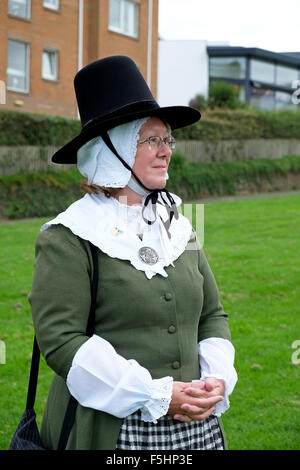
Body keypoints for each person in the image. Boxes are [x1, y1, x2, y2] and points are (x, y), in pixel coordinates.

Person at [29, 56, 237, 450]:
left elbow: (212, 314)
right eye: (152, 140)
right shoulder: (69, 235)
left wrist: (215, 379)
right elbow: (62, 341)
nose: (166, 151)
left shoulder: (177, 224)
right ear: (113, 148)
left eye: (168, 139)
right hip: (115, 432)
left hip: (196, 426)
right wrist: (154, 393)